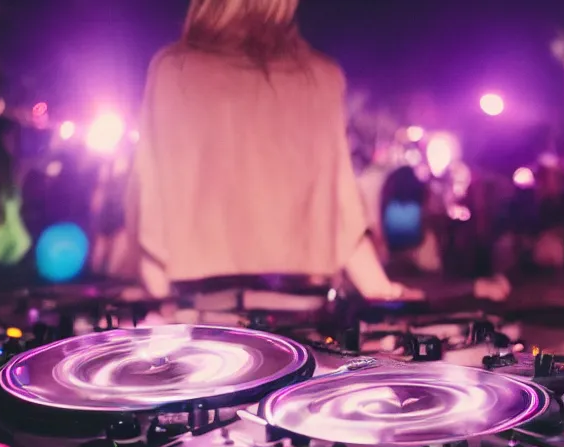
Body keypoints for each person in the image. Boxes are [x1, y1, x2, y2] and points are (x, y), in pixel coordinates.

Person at [127, 0, 419, 301]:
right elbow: (343, 213)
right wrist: (381, 291)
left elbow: (149, 214)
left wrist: (162, 305)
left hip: (200, 312)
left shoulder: (172, 71)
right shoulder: (322, 77)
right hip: (301, 308)